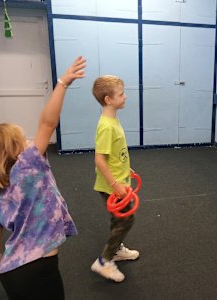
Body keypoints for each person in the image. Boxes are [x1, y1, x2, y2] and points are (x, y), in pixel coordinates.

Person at [0, 56, 86, 299]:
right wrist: (62, 83)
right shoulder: (29, 165)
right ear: (14, 151)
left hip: (11, 272)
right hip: (39, 269)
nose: (30, 141)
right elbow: (48, 122)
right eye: (23, 139)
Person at [90, 75, 139, 283]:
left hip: (119, 180)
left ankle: (116, 249)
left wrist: (125, 169)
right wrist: (116, 184)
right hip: (113, 186)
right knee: (126, 220)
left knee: (117, 220)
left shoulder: (112, 119)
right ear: (108, 100)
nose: (125, 96)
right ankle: (104, 261)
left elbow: (114, 153)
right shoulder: (107, 126)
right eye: (121, 94)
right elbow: (100, 160)